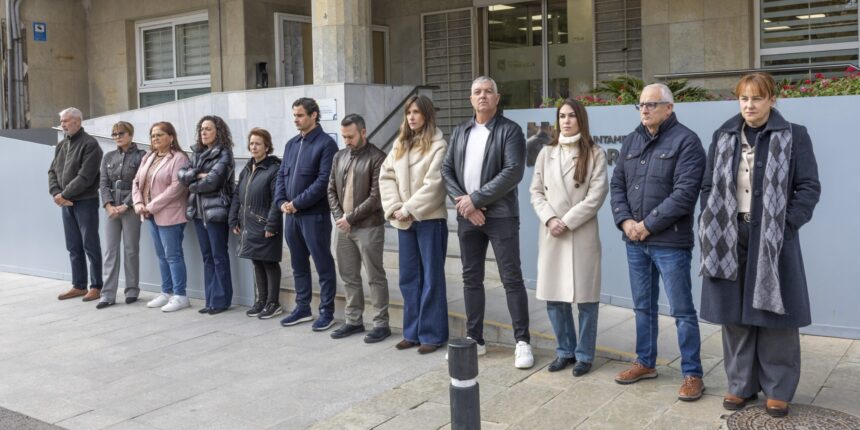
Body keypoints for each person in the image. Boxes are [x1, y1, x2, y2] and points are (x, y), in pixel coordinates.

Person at [699, 72, 821, 417]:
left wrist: (786, 225)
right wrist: (708, 220)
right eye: (743, 99)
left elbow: (808, 187)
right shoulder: (723, 135)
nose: (749, 105)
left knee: (774, 313)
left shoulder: (794, 136)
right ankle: (740, 385)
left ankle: (778, 388)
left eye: (756, 98)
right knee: (734, 317)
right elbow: (708, 186)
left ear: (772, 100)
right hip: (728, 234)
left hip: (772, 238)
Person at [609, 83, 706, 400]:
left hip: (669, 243)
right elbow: (617, 186)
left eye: (652, 104)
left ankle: (692, 373)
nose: (645, 109)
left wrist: (647, 225)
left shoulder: (687, 142)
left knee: (682, 311)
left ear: (670, 107)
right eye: (641, 105)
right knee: (643, 307)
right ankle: (645, 362)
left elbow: (684, 195)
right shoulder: (631, 140)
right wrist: (625, 222)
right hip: (634, 241)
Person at [441, 76, 534, 369]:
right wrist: (466, 205)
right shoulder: (460, 130)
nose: (482, 96)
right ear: (471, 99)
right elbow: (446, 170)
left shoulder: (510, 131)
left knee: (511, 278)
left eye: (488, 92)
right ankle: (475, 338)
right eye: (477, 92)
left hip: (501, 216)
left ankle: (522, 341)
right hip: (468, 215)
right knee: (471, 279)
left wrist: (476, 200)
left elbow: (513, 171)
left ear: (497, 97)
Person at [529, 98, 608, 376]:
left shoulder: (595, 153)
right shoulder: (545, 153)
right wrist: (551, 219)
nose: (566, 121)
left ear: (581, 119)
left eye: (572, 116)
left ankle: (584, 354)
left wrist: (566, 221)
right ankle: (564, 350)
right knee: (555, 299)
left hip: (581, 232)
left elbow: (595, 196)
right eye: (562, 116)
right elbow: (536, 191)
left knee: (586, 300)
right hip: (552, 233)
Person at [380, 96, 449, 353]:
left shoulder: (438, 146)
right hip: (403, 221)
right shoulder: (399, 144)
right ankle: (412, 332)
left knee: (432, 278)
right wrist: (396, 207)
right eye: (408, 112)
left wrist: (409, 208)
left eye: (417, 112)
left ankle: (432, 334)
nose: (411, 117)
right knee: (409, 278)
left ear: (427, 115)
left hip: (429, 219)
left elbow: (435, 185)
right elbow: (385, 176)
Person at [275, 97, 339, 331]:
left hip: (315, 216)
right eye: (294, 116)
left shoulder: (326, 144)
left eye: (300, 115)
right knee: (298, 263)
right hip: (291, 216)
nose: (296, 120)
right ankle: (302, 308)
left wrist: (297, 204)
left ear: (314, 115)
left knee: (322, 263)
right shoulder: (292, 144)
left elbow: (323, 181)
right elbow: (282, 175)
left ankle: (327, 311)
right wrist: (282, 202)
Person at [327, 114, 390, 343]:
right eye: (344, 137)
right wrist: (338, 217)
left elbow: (376, 197)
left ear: (363, 132)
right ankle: (353, 320)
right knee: (348, 276)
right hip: (343, 227)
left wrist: (350, 218)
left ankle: (381, 323)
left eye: (351, 136)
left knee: (375, 276)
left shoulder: (378, 158)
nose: (347, 141)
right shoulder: (339, 156)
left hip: (368, 227)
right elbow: (331, 189)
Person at [178, 115, 236, 315]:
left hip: (216, 212)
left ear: (218, 132)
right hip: (198, 213)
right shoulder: (196, 153)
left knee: (219, 256)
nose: (203, 132)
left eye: (208, 129)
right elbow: (181, 176)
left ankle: (221, 301)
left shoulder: (224, 154)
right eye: (201, 129)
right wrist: (197, 175)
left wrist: (194, 180)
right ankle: (210, 299)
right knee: (207, 257)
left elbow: (213, 182)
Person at [131, 122, 190, 312]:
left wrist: (151, 206)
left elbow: (176, 188)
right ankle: (167, 292)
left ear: (171, 137)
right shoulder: (149, 157)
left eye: (160, 135)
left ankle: (180, 295)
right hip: (149, 214)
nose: (155, 138)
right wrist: (139, 203)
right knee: (161, 255)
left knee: (173, 255)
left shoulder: (179, 158)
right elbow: (136, 181)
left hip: (169, 214)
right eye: (153, 135)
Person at [48, 107, 104, 302]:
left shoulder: (90, 144)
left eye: (66, 121)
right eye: (62, 121)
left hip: (85, 202)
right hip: (66, 203)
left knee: (90, 244)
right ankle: (79, 285)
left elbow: (86, 177)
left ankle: (96, 286)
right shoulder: (62, 145)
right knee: (73, 246)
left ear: (78, 122)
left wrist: (64, 194)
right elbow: (52, 172)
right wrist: (56, 193)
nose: (62, 124)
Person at [228, 128, 284, 319]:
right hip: (248, 224)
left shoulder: (273, 169)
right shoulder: (247, 169)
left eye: (258, 143)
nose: (254, 147)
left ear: (267, 146)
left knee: (269, 262)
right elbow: (237, 195)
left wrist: (271, 225)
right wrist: (233, 218)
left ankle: (273, 303)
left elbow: (278, 199)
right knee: (256, 261)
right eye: (251, 143)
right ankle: (261, 300)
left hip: (265, 224)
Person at [96, 121, 146, 308]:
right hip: (111, 208)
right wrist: (108, 205)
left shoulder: (141, 156)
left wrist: (126, 205)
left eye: (121, 133)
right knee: (110, 251)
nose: (117, 136)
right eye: (114, 134)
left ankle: (132, 290)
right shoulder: (108, 156)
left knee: (131, 250)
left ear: (130, 134)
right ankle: (107, 295)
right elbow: (103, 183)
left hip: (131, 208)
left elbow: (142, 183)